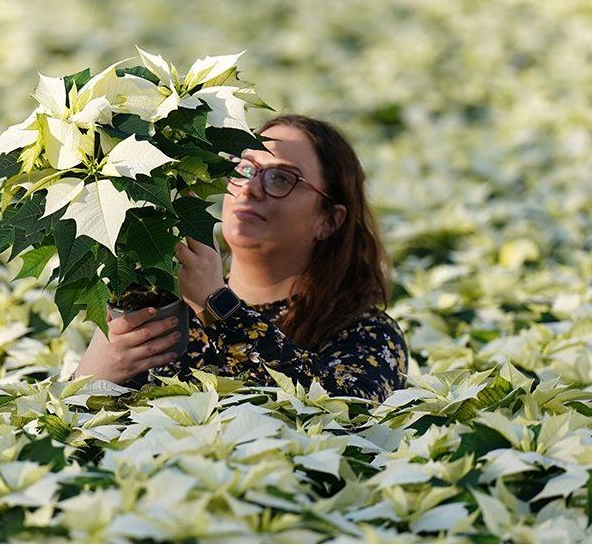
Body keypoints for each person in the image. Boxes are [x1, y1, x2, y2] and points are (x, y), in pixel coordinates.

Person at [73, 114, 409, 402]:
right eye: (245, 169)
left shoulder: (367, 332)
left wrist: (216, 305)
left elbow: (345, 410)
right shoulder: (161, 314)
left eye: (281, 178)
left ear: (329, 220)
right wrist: (90, 377)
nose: (249, 189)